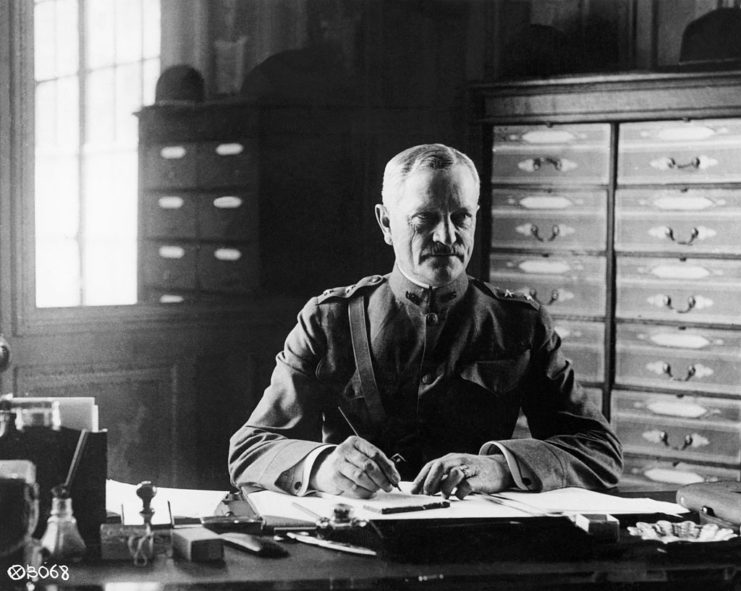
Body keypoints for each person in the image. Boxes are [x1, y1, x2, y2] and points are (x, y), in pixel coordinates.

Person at [229, 144, 622, 500]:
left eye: (461, 217)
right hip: (357, 539)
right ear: (386, 224)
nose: (446, 236)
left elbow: (599, 449)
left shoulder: (518, 323)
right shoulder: (328, 320)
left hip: (474, 542)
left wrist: (499, 467)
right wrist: (321, 467)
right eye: (424, 218)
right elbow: (250, 448)